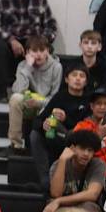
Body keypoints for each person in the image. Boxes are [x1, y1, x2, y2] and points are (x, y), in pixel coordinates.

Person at [0, 34, 61, 161]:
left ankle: (48, 149)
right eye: (34, 51)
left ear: (48, 51)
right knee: (15, 98)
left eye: (42, 51)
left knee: (54, 110)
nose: (38, 55)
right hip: (29, 103)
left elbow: (55, 97)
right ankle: (16, 145)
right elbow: (18, 90)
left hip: (46, 105)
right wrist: (28, 67)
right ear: (27, 53)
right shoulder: (22, 66)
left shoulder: (56, 67)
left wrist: (40, 103)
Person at [29, 63, 91, 191]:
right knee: (35, 135)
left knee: (65, 130)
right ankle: (45, 178)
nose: (78, 79)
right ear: (67, 79)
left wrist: (65, 119)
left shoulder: (88, 100)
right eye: (74, 75)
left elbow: (86, 128)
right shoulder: (60, 96)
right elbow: (38, 121)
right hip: (55, 140)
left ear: (86, 82)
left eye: (82, 76)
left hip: (75, 141)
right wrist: (44, 124)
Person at [42, 130, 106, 212]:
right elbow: (56, 194)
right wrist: (62, 160)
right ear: (72, 148)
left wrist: (59, 201)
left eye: (90, 150)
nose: (86, 154)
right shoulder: (59, 164)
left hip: (84, 205)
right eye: (82, 148)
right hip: (62, 206)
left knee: (89, 208)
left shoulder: (98, 165)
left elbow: (92, 194)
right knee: (51, 211)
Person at [73, 87, 106, 178]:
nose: (102, 107)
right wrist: (98, 136)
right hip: (81, 174)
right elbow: (75, 155)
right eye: (98, 103)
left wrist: (87, 160)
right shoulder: (81, 126)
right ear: (92, 106)